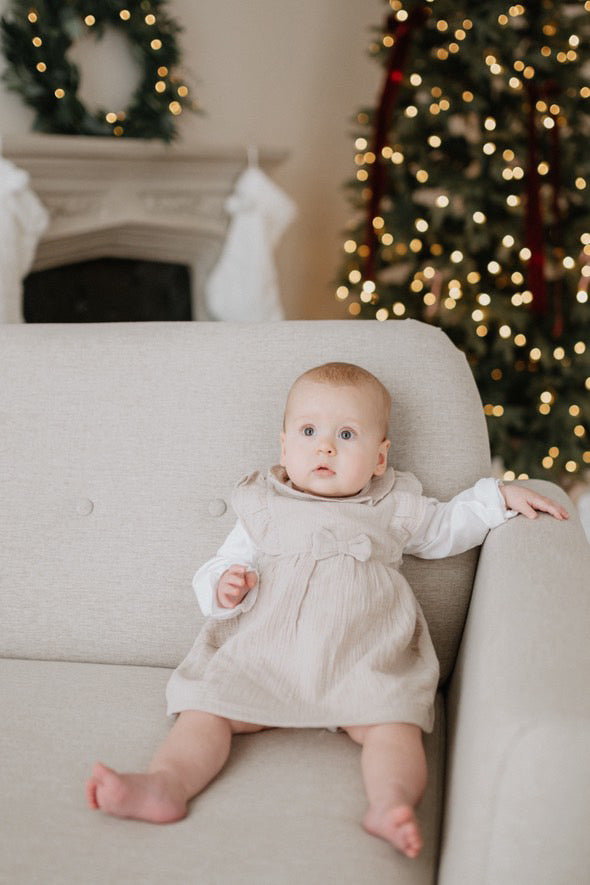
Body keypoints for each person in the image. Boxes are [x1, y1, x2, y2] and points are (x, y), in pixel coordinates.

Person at [87, 362, 568, 858]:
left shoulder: (395, 505)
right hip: (265, 653)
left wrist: (497, 498)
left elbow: (449, 526)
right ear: (283, 448)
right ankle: (166, 784)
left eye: (346, 435)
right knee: (204, 711)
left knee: (394, 724)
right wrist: (224, 585)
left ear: (379, 458)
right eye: (309, 432)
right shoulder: (263, 506)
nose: (325, 448)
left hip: (362, 655)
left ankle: (391, 803)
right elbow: (221, 564)